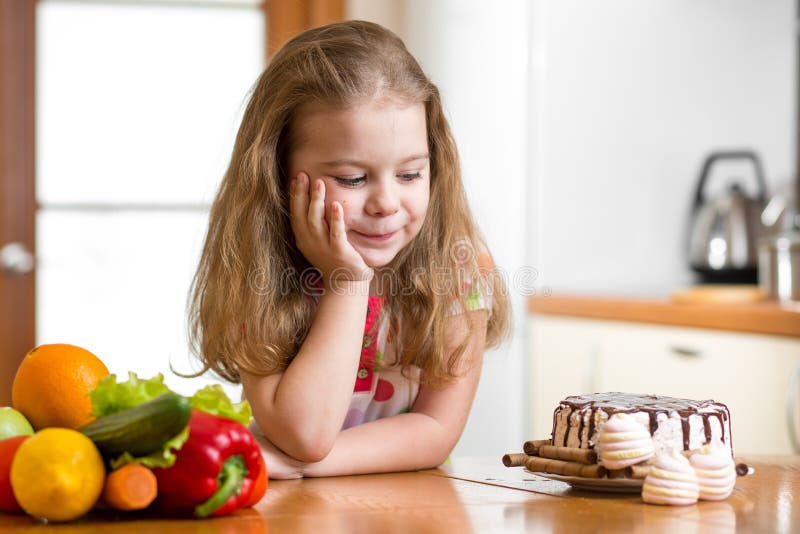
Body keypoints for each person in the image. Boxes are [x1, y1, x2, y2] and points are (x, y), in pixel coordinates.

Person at [188, 20, 510, 478]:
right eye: (352, 179)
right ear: (278, 173)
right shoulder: (259, 265)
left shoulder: (459, 268)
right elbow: (305, 434)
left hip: (407, 511)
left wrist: (307, 466)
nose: (385, 203)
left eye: (411, 174)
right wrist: (348, 282)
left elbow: (437, 428)